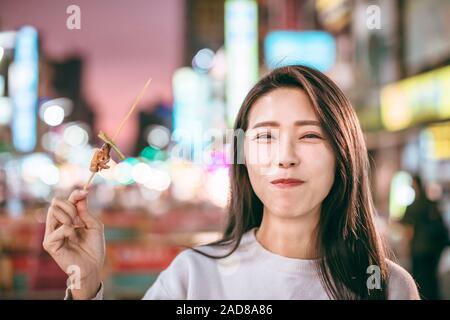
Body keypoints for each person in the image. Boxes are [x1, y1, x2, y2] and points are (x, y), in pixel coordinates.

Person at [43, 65, 420, 300]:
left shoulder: (387, 287)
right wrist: (85, 283)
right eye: (265, 137)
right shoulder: (192, 276)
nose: (284, 157)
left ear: (343, 153)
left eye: (309, 136)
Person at [401, 175, 449, 299]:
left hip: (419, 250)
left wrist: (407, 248)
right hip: (433, 251)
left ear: (416, 184)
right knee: (432, 280)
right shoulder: (431, 204)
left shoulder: (414, 205)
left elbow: (406, 228)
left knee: (420, 281)